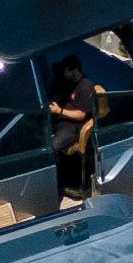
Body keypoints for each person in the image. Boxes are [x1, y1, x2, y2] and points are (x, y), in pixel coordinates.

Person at [44, 57, 102, 205]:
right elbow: (58, 96)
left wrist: (59, 111)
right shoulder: (67, 84)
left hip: (72, 127)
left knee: (50, 149)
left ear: (73, 70)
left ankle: (54, 188)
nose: (63, 74)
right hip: (58, 122)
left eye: (65, 71)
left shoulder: (85, 86)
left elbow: (81, 114)